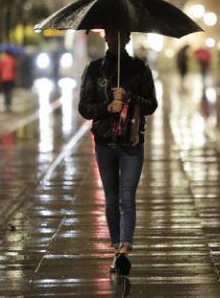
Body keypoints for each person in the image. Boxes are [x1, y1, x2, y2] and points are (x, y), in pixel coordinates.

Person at [78, 30, 158, 276]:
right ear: (106, 39)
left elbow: (152, 104)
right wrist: (107, 106)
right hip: (104, 142)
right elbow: (84, 107)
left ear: (127, 39)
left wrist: (129, 98)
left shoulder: (139, 69)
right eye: (112, 36)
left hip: (131, 141)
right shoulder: (94, 69)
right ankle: (116, 245)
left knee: (127, 197)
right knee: (111, 199)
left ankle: (124, 249)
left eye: (121, 36)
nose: (116, 40)